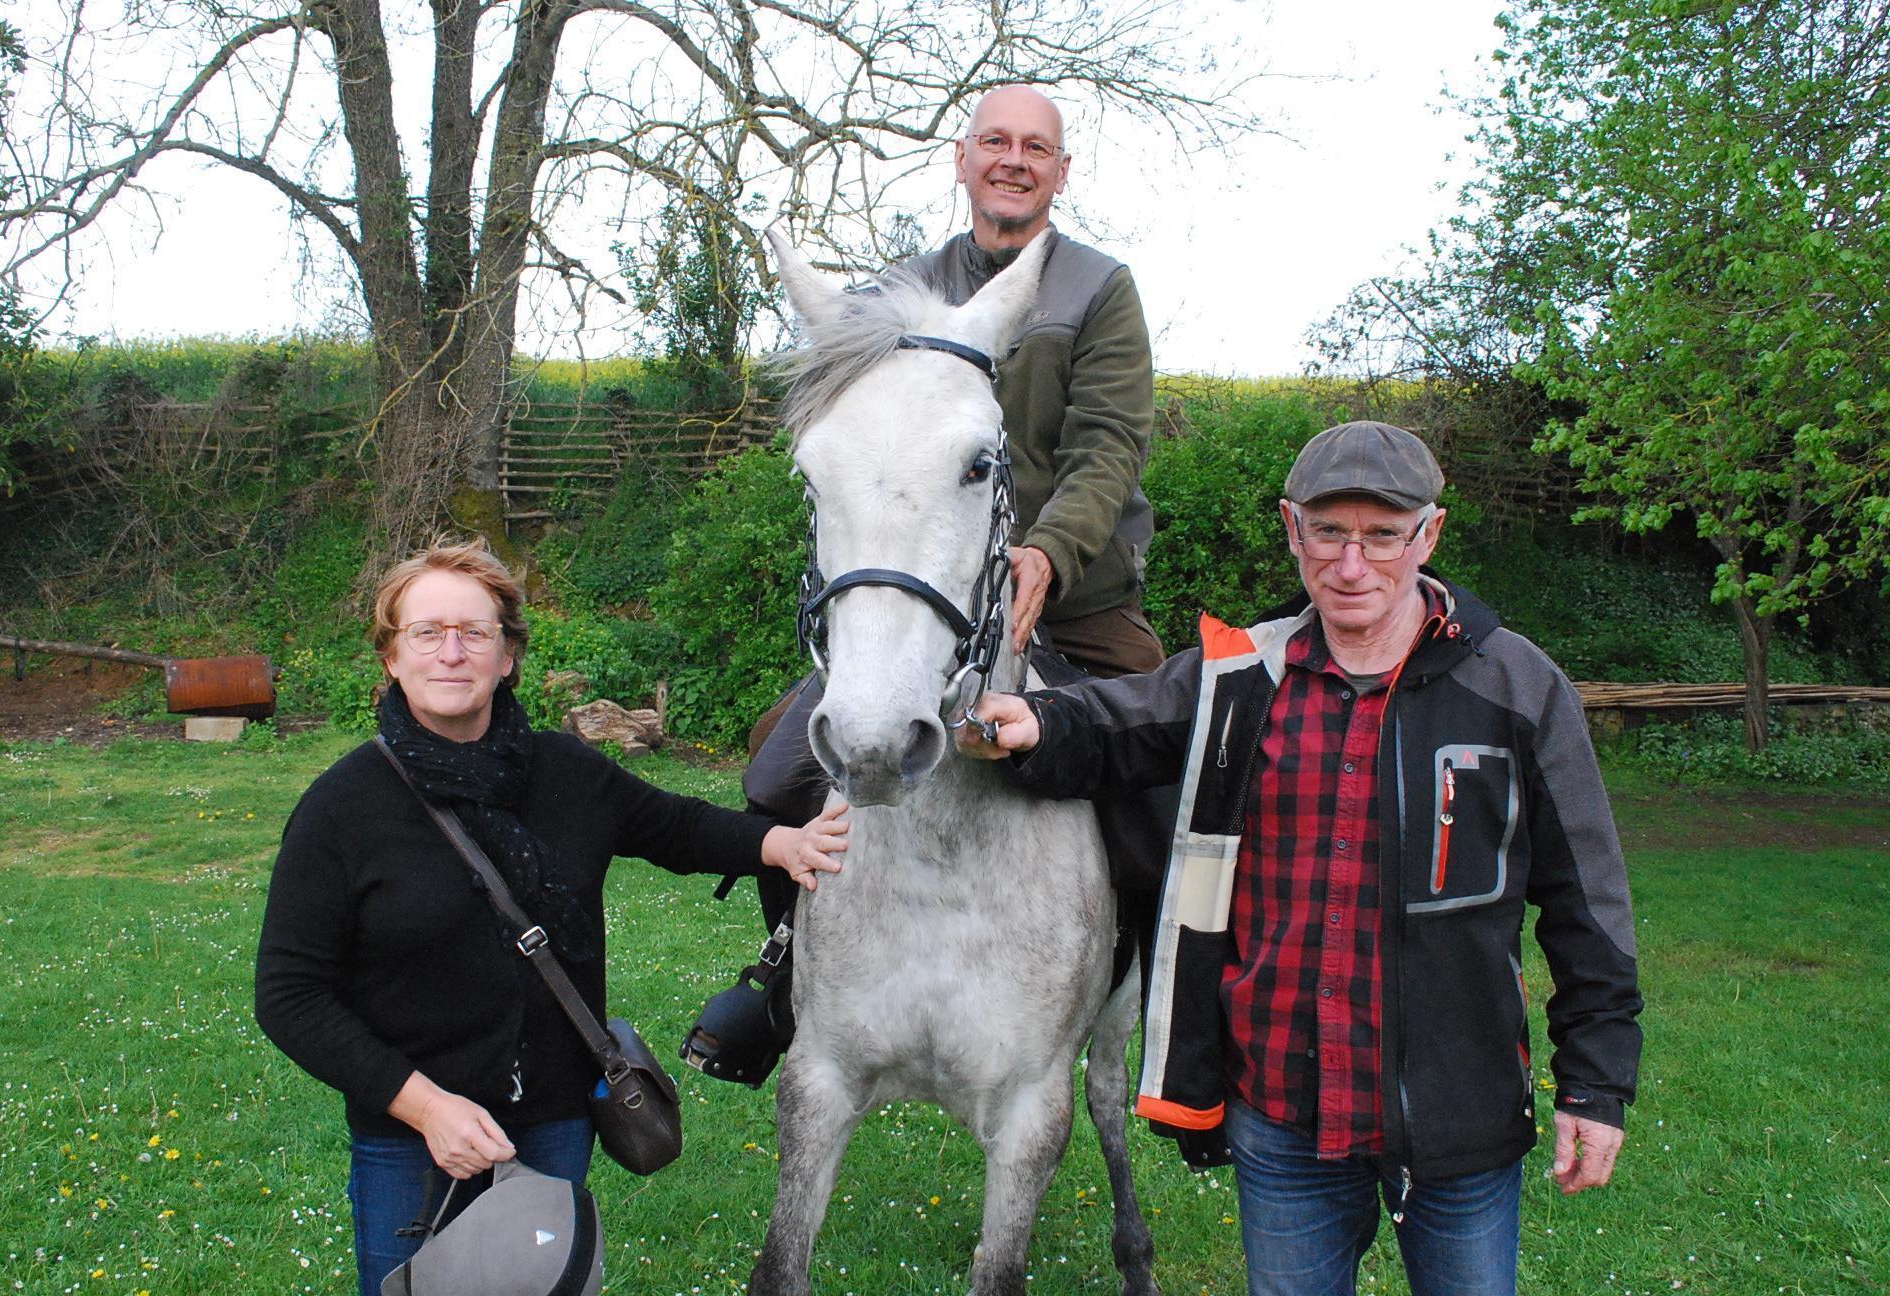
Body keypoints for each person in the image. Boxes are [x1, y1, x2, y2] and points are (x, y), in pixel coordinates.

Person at [959, 422, 1644, 1294]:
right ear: (1292, 529)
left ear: (1428, 535)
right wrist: (1036, 722)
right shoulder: (1243, 674)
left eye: (1383, 536)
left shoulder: (1517, 687)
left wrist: (1595, 1084)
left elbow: (1590, 904)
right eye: (1328, 532)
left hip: (1459, 1117)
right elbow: (1116, 723)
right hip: (1284, 1120)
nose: (1351, 565)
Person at [688, 83, 1168, 1084]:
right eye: (995, 140)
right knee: (775, 778)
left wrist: (1048, 552)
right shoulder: (898, 294)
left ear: (1060, 172)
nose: (1013, 159)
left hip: (1074, 608)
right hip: (931, 622)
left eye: (1036, 147)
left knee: (1167, 787)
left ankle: (1168, 998)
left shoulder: (1097, 289)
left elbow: (1107, 447)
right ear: (963, 159)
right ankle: (783, 976)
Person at [254, 541, 848, 1296]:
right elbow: (288, 994)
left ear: (508, 657)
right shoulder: (343, 807)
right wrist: (427, 1108)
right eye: (426, 633)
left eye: (475, 633)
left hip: (552, 1120)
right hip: (408, 1141)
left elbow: (677, 828)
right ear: (392, 657)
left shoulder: (566, 772)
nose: (451, 652)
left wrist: (781, 840)